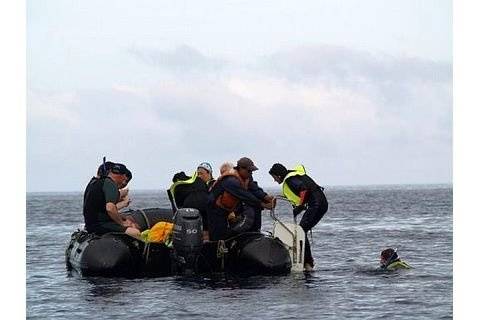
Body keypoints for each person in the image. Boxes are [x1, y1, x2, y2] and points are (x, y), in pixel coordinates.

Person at [269, 163, 328, 271]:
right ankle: (307, 262)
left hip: (316, 204)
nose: (274, 180)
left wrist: (300, 205)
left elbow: (303, 189)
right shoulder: (294, 176)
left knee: (300, 230)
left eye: (274, 177)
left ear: (278, 175)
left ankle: (308, 262)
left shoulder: (290, 180)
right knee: (302, 230)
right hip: (321, 202)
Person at [207, 157, 274, 241]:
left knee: (226, 233)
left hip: (227, 209)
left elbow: (254, 189)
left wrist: (266, 197)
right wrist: (264, 205)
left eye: (252, 171)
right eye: (249, 171)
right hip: (214, 209)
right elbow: (246, 196)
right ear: (240, 169)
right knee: (218, 235)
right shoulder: (231, 181)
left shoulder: (247, 177)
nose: (251, 173)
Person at [83, 163, 141, 239]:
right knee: (135, 232)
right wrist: (122, 223)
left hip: (90, 224)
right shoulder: (110, 183)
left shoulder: (94, 183)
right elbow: (110, 208)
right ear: (123, 176)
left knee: (129, 221)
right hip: (99, 225)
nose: (123, 182)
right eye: (124, 179)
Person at [169, 170, 210, 240]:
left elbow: (178, 204)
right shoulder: (196, 179)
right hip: (205, 202)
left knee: (190, 223)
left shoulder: (178, 186)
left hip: (190, 206)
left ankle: (191, 239)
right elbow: (207, 190)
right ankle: (206, 240)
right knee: (205, 225)